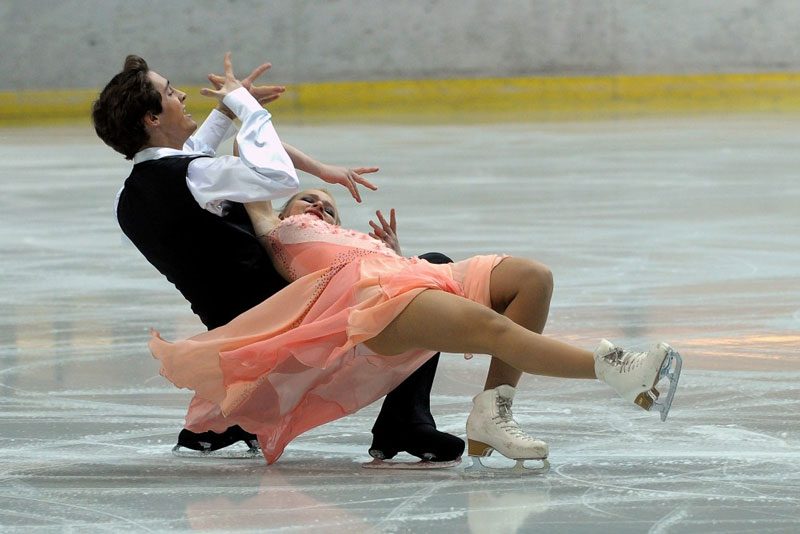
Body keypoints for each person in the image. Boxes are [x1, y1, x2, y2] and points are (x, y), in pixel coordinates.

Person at [91, 53, 463, 462]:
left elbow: (182, 160)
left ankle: (238, 416)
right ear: (152, 118)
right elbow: (276, 177)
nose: (180, 94)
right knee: (427, 272)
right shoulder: (198, 176)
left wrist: (223, 109)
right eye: (169, 92)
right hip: (289, 323)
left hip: (237, 339)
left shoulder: (126, 200)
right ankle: (405, 421)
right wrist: (245, 109)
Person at [149, 183, 683, 466]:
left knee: (533, 279)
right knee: (494, 331)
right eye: (309, 198)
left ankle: (493, 413)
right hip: (373, 303)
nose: (320, 205)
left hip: (415, 277)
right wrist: (242, 106)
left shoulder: (352, 239)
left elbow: (388, 261)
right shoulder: (278, 232)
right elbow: (257, 177)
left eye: (330, 205)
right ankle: (618, 368)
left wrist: (397, 255)